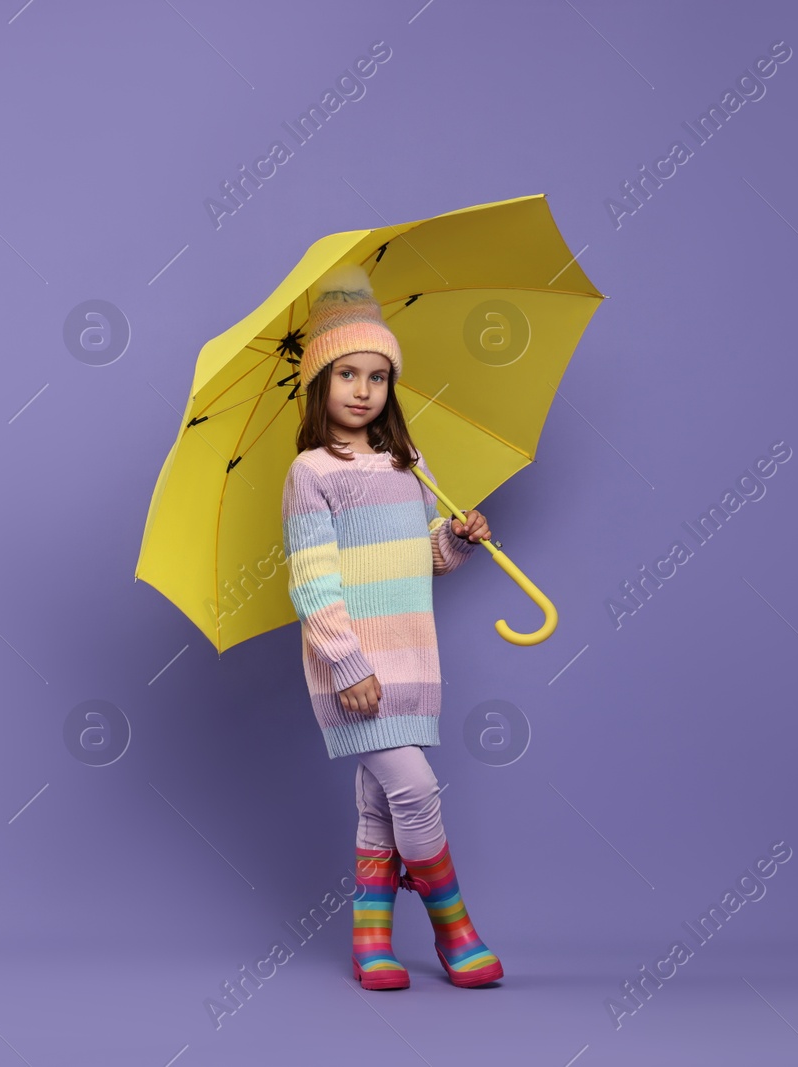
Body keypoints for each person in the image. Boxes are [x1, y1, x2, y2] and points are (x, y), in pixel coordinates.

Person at [280, 261, 503, 991]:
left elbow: (423, 559)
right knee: (416, 790)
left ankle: (371, 939)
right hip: (355, 670)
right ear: (322, 384)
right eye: (348, 375)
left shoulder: (410, 464)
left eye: (377, 376)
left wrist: (456, 540)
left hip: (413, 660)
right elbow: (313, 581)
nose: (364, 389)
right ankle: (453, 928)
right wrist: (347, 665)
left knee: (380, 805)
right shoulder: (311, 471)